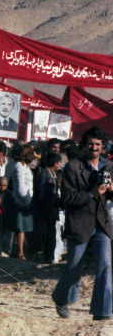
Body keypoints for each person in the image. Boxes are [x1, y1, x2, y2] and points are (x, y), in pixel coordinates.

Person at [52, 128, 113, 321]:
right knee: (74, 267)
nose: (94, 147)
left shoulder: (108, 166)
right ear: (84, 145)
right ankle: (61, 297)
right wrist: (91, 194)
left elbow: (108, 196)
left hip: (101, 223)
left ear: (103, 147)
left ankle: (102, 311)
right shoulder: (73, 167)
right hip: (79, 222)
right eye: (91, 144)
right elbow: (67, 198)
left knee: (105, 265)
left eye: (98, 144)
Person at [33, 152, 63, 265]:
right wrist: (49, 208)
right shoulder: (44, 174)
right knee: (44, 236)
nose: (60, 164)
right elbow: (41, 194)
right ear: (55, 163)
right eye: (59, 162)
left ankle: (49, 258)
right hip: (44, 212)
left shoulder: (52, 175)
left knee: (51, 237)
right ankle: (44, 258)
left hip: (51, 211)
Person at [10, 144, 35, 260]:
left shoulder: (23, 166)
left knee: (22, 228)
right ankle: (20, 253)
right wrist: (28, 202)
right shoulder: (19, 167)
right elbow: (20, 187)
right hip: (21, 201)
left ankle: (18, 251)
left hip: (24, 200)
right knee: (21, 229)